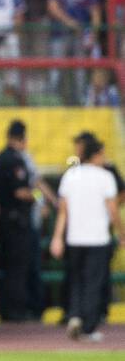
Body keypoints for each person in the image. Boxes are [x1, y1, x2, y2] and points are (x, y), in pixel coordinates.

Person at [51, 135, 119, 341]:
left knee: (77, 281)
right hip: (97, 238)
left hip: (74, 238)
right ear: (96, 154)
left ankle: (75, 315)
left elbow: (63, 211)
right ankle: (88, 327)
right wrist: (121, 232)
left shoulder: (70, 176)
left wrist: (57, 237)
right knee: (93, 283)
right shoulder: (105, 177)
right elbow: (113, 210)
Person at [0, 120, 38, 321]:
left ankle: (9, 309)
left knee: (9, 267)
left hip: (5, 221)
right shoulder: (14, 160)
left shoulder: (0, 158)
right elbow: (20, 192)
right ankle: (15, 311)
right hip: (16, 222)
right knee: (17, 268)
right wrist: (38, 197)